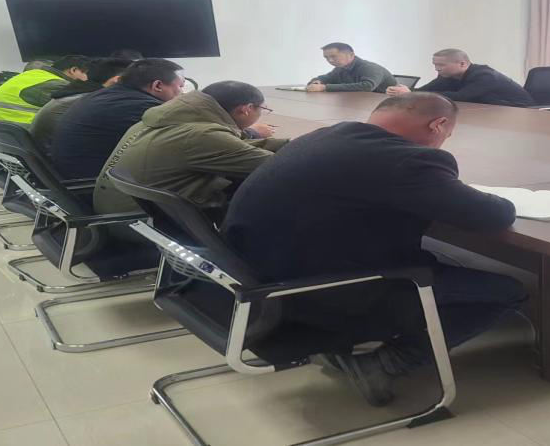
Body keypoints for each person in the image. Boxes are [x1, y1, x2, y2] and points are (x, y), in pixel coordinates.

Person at [223, 92, 527, 406]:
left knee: (438, 259)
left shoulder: (325, 136)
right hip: (316, 294)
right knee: (507, 291)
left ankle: (343, 351)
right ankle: (385, 364)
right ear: (438, 125)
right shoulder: (405, 161)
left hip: (261, 283)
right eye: (447, 135)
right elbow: (494, 215)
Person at [92, 80, 288, 233]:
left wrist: (294, 144)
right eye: (263, 109)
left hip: (119, 210)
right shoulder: (202, 136)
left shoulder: (168, 118)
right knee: (281, 193)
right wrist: (301, 150)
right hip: (143, 224)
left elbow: (234, 147)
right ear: (245, 109)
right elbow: (278, 167)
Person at [50, 59, 185, 179]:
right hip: (97, 186)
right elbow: (181, 145)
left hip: (74, 176)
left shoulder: (107, 95)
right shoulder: (142, 108)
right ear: (158, 86)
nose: (183, 93)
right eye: (180, 86)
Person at [30, 57, 133, 154]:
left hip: (47, 153)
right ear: (118, 80)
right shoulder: (96, 101)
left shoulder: (78, 92)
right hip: (60, 159)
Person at [385, 49, 533, 107]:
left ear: (462, 64)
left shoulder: (485, 76)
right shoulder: (447, 75)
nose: (437, 69)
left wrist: (411, 94)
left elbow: (462, 97)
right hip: (486, 111)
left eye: (441, 65)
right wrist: (406, 92)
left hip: (517, 110)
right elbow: (427, 90)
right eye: (435, 64)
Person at [0, 55, 89, 124]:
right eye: (88, 73)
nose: (89, 78)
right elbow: (83, 111)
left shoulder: (34, 74)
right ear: (74, 70)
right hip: (21, 133)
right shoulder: (56, 84)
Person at [305, 42, 398, 93]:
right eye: (326, 58)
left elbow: (367, 86)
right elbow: (326, 78)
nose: (330, 60)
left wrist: (325, 87)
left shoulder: (370, 68)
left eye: (333, 56)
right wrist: (317, 82)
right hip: (359, 103)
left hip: (385, 106)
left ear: (351, 55)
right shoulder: (340, 68)